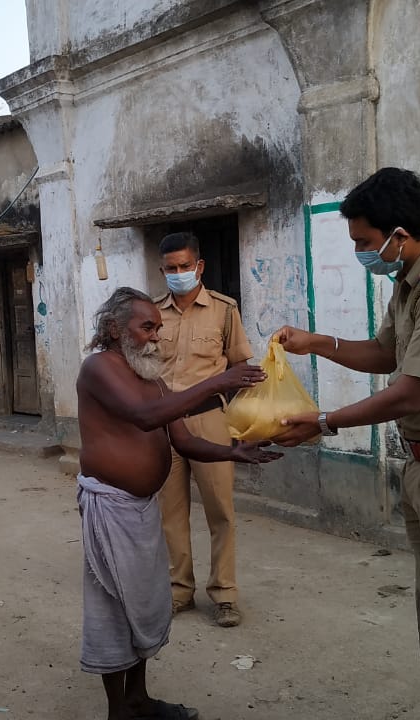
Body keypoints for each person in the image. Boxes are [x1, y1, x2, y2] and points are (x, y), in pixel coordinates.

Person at [273, 168, 420, 720]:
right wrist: (319, 343)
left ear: (398, 234)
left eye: (363, 241)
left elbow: (409, 393)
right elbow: (386, 354)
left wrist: (324, 421)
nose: (362, 252)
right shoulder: (410, 280)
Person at [76, 287, 281, 720]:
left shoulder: (154, 380)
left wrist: (232, 452)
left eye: (158, 329)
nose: (156, 338)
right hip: (110, 508)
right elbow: (144, 417)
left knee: (144, 603)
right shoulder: (99, 367)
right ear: (114, 329)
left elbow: (183, 440)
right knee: (114, 610)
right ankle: (119, 710)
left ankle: (139, 699)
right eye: (146, 327)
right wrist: (218, 381)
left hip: (141, 507)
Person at [152, 231, 253, 628]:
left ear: (200, 266)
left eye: (184, 266)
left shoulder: (225, 311)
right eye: (171, 268)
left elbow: (242, 368)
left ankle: (224, 594)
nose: (178, 274)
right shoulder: (152, 313)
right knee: (170, 512)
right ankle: (180, 591)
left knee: (221, 511)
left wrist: (245, 423)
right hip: (164, 424)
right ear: (162, 270)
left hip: (210, 419)